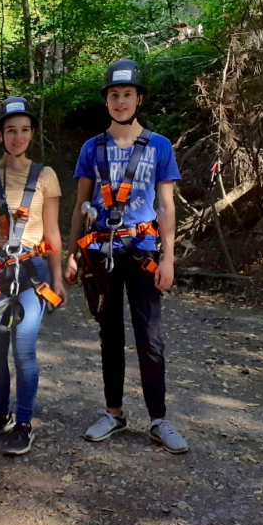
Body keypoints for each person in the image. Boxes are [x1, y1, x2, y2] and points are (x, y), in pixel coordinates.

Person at [64, 59, 188, 454]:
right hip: (101, 252)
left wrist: (169, 258)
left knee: (149, 336)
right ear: (107, 100)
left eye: (127, 94)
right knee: (110, 335)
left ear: (139, 99)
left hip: (143, 251)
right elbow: (80, 204)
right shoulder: (92, 148)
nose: (120, 101)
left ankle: (158, 419)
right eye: (114, 95)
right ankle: (114, 412)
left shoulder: (159, 146)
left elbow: (165, 205)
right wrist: (72, 254)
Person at [0, 97, 66, 455]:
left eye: (25, 130)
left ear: (32, 134)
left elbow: (52, 232)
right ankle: (1, 414)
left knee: (23, 348)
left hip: (32, 269)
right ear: (0, 135)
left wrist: (57, 277)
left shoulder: (45, 176)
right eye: (10, 130)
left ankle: (24, 422)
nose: (18, 137)